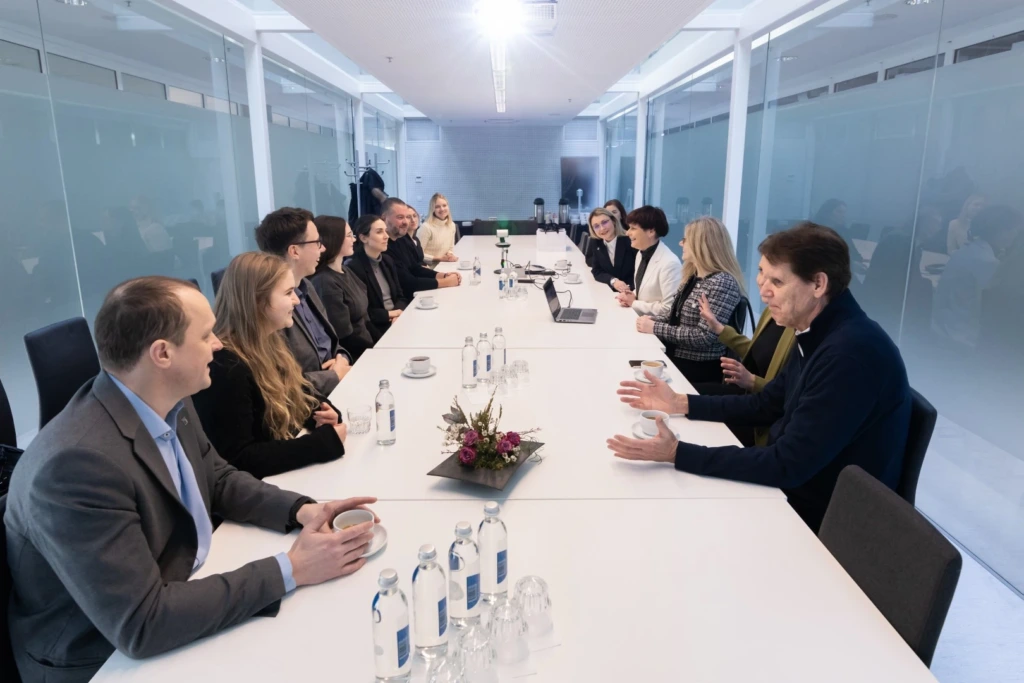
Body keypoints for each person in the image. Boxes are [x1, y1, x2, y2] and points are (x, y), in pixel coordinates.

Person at [4, 276, 377, 683]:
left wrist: (303, 510)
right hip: (104, 659)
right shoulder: (75, 466)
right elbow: (142, 623)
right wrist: (292, 568)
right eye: (205, 335)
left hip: (178, 587)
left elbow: (216, 477)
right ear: (163, 353)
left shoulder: (167, 398)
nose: (218, 345)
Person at [607, 223, 911, 531]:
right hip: (798, 488)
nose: (763, 291)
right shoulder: (817, 331)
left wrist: (677, 453)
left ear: (818, 284)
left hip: (822, 517)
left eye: (777, 281)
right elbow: (767, 403)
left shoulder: (849, 355)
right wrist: (680, 403)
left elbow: (787, 464)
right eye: (762, 275)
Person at [192, 252, 347, 479]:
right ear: (258, 301)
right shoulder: (226, 367)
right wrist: (321, 444)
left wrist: (323, 411)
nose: (296, 300)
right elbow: (239, 458)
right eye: (288, 293)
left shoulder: (269, 341)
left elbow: (299, 391)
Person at [635, 217, 745, 384]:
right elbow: (675, 316)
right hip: (676, 357)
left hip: (698, 369)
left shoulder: (723, 282)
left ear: (701, 244)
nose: (681, 243)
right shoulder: (692, 276)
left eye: (685, 240)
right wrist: (652, 320)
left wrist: (655, 327)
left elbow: (703, 337)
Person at [255, 207, 351, 396]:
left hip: (338, 384)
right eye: (317, 242)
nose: (323, 248)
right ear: (294, 251)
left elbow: (333, 343)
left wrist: (342, 359)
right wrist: (334, 376)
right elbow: (281, 383)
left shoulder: (307, 286)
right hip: (313, 401)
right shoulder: (270, 306)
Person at [696, 269, 797, 446]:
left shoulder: (802, 331)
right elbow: (758, 350)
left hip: (761, 414)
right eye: (760, 271)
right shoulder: (771, 312)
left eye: (777, 280)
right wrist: (719, 328)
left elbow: (783, 398)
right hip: (749, 396)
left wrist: (751, 381)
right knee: (689, 396)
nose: (762, 287)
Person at [932, 205, 1020, 350]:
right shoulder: (986, 262)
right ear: (996, 230)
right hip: (961, 337)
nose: (1015, 234)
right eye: (1011, 229)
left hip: (942, 327)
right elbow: (998, 307)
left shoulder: (967, 250)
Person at [312, 215, 380, 355]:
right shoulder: (325, 282)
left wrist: (383, 344)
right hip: (355, 354)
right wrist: (376, 353)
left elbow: (365, 320)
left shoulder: (346, 270)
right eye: (349, 236)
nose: (354, 240)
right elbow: (344, 337)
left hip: (367, 345)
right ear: (334, 239)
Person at [381, 197, 460, 294]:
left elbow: (415, 268)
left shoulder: (402, 239)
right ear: (384, 218)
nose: (406, 222)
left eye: (407, 217)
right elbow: (407, 283)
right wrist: (446, 282)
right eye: (400, 217)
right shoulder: (383, 247)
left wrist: (443, 275)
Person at [347, 214, 410, 334]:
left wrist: (397, 314)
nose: (386, 236)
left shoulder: (387, 260)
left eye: (385, 231)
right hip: (376, 327)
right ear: (363, 238)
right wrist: (390, 315)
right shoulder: (354, 268)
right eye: (379, 232)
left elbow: (400, 296)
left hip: (397, 318)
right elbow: (363, 311)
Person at [615, 205, 682, 316]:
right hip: (638, 318)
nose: (627, 233)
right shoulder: (641, 253)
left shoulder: (670, 263)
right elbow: (645, 290)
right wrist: (632, 295)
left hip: (653, 325)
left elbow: (669, 309)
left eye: (633, 228)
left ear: (651, 231)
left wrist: (634, 303)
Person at [585, 207, 636, 292]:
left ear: (613, 221)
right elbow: (597, 271)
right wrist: (613, 281)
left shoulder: (630, 241)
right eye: (596, 226)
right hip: (609, 291)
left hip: (632, 291)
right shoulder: (596, 242)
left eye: (604, 222)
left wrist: (629, 290)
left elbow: (641, 272)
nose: (602, 228)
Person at [418, 192, 460, 262]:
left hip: (444, 264)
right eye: (437, 207)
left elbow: (450, 248)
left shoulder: (451, 225)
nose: (442, 209)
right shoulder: (426, 227)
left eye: (444, 205)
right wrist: (439, 258)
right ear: (432, 209)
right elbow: (417, 254)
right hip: (428, 267)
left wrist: (449, 255)